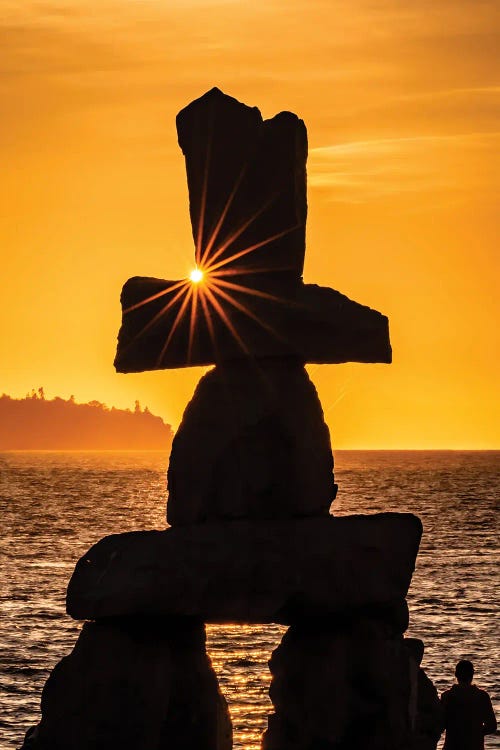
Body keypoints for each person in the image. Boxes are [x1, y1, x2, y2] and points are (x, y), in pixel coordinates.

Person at [441, 660, 497, 749]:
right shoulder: (482, 696)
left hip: (452, 746)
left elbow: (440, 725)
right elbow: (492, 726)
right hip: (475, 746)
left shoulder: (447, 696)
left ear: (456, 675)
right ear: (472, 675)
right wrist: (476, 732)